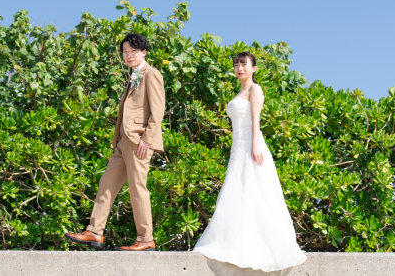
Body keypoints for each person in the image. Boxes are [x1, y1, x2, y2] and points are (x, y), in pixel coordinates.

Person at [193, 52, 306, 271]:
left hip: (250, 144)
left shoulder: (255, 89)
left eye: (244, 64)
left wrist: (255, 145)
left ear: (254, 68)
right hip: (238, 146)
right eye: (236, 65)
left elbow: (256, 118)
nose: (239, 68)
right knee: (239, 190)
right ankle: (236, 242)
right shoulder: (240, 91)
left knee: (256, 190)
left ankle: (262, 247)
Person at [64, 33, 165, 251]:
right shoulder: (133, 76)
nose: (128, 56)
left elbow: (158, 110)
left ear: (144, 52)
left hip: (139, 141)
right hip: (122, 142)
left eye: (133, 51)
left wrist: (147, 139)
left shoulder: (151, 74)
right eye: (125, 52)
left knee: (138, 189)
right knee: (107, 184)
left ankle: (146, 239)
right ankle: (94, 231)